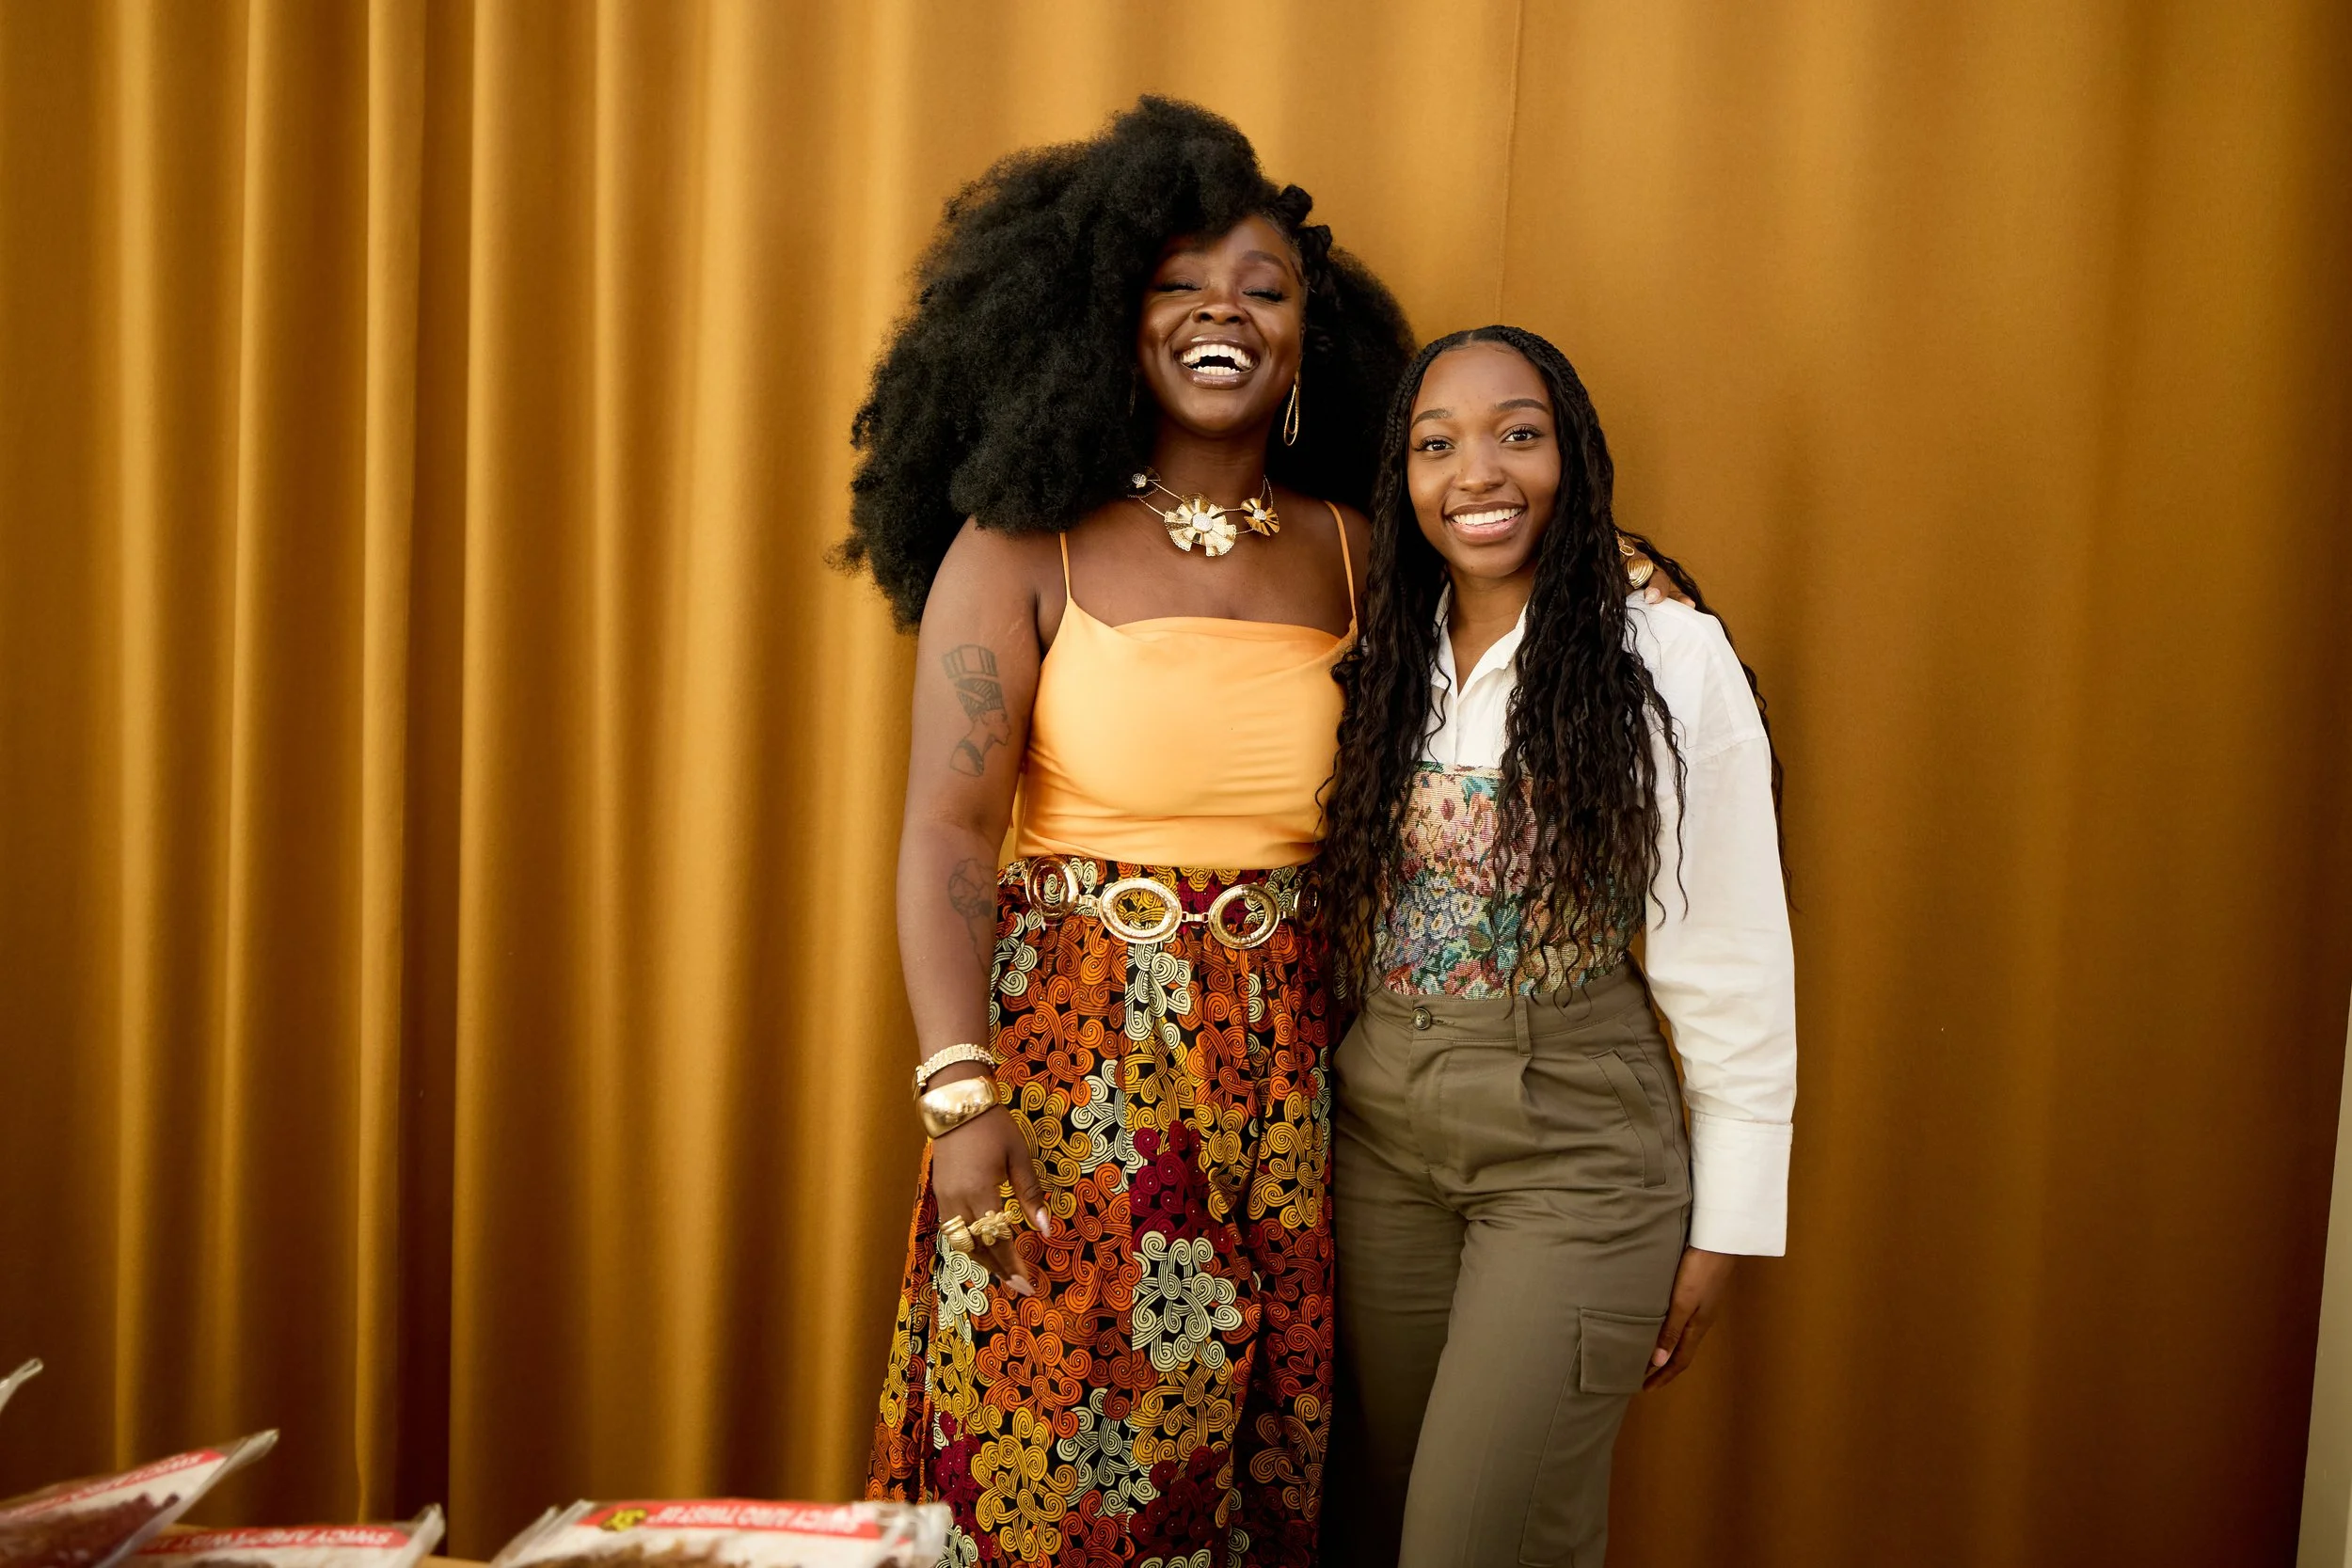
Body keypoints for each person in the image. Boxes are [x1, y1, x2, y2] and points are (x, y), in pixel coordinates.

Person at [843, 97, 1414, 1567]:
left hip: (1294, 1065)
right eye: (1179, 284)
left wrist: (1635, 585)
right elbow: (947, 831)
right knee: (1057, 1458)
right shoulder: (1018, 542)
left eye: (1263, 287)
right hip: (1074, 1056)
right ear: (1111, 320)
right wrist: (960, 1093)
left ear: (1308, 338)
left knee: (1251, 1472)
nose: (1223, 309)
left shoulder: (1363, 552)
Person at [1317, 325, 1797, 1568]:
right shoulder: (1382, 643)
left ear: (1573, 455)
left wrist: (1728, 1224)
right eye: (1437, 445)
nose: (1478, 472)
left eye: (1518, 435)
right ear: (1402, 478)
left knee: (1478, 1542)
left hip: (1573, 1145)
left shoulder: (1665, 653)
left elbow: (1730, 951)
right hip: (1380, 1142)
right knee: (1376, 1519)